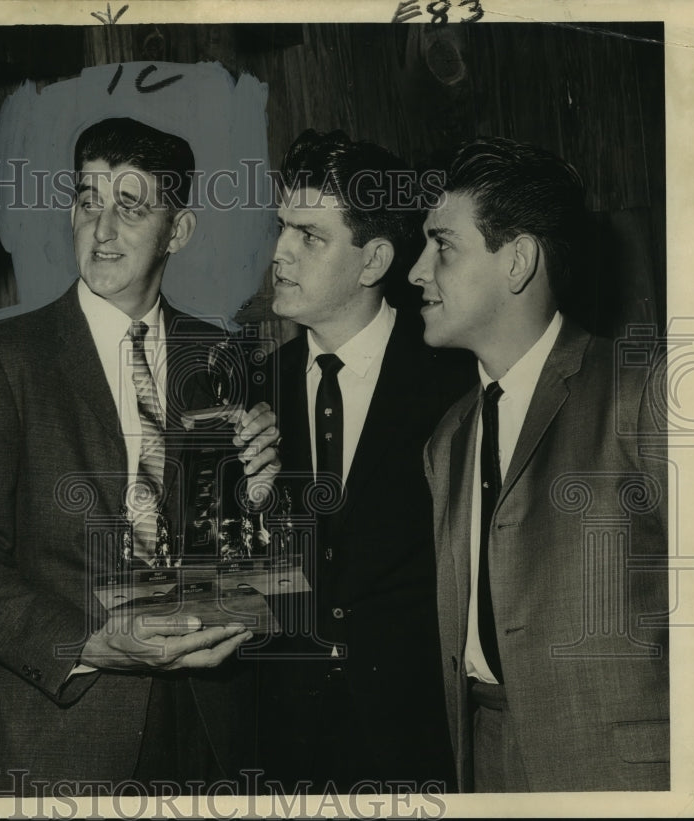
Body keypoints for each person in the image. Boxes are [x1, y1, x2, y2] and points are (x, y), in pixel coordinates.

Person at [0, 116, 280, 792]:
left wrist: (261, 500)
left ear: (179, 230)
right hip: (64, 734)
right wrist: (88, 644)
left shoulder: (222, 356)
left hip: (211, 729)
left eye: (129, 207)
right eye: (87, 200)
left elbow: (249, 563)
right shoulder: (2, 357)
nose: (100, 230)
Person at [410, 137, 668, 791]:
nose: (417, 271)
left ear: (517, 260)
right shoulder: (448, 438)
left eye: (441, 247)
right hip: (486, 764)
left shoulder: (640, 392)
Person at [254, 130, 469, 793]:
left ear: (373, 259)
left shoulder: (456, 380)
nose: (281, 253)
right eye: (282, 229)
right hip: (284, 748)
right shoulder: (249, 392)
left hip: (422, 745)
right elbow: (232, 579)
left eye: (309, 236)